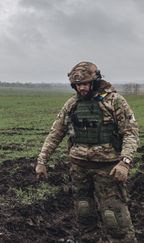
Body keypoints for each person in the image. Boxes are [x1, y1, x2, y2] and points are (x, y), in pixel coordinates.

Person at [35, 61, 138, 242]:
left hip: (108, 169)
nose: (82, 88)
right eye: (78, 85)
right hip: (79, 168)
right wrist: (42, 161)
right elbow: (56, 133)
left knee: (113, 217)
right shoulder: (72, 104)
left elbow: (130, 133)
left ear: (95, 81)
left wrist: (125, 162)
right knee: (84, 213)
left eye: (85, 84)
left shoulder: (114, 101)